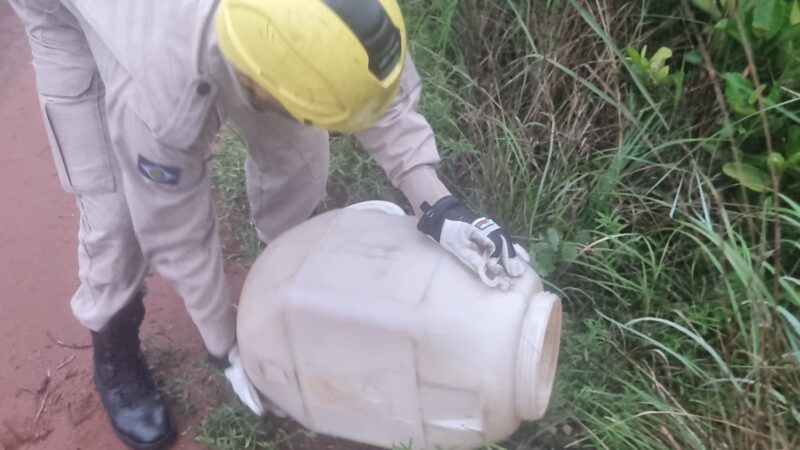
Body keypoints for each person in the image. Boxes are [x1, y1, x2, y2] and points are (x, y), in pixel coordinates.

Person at [8, 0, 530, 449]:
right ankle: (113, 337)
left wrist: (437, 204)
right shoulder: (162, 87)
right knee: (116, 218)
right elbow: (173, 225)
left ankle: (291, 288)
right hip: (74, 14)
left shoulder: (331, 15)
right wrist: (223, 345)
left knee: (299, 153)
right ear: (255, 77)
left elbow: (373, 87)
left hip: (229, 31)